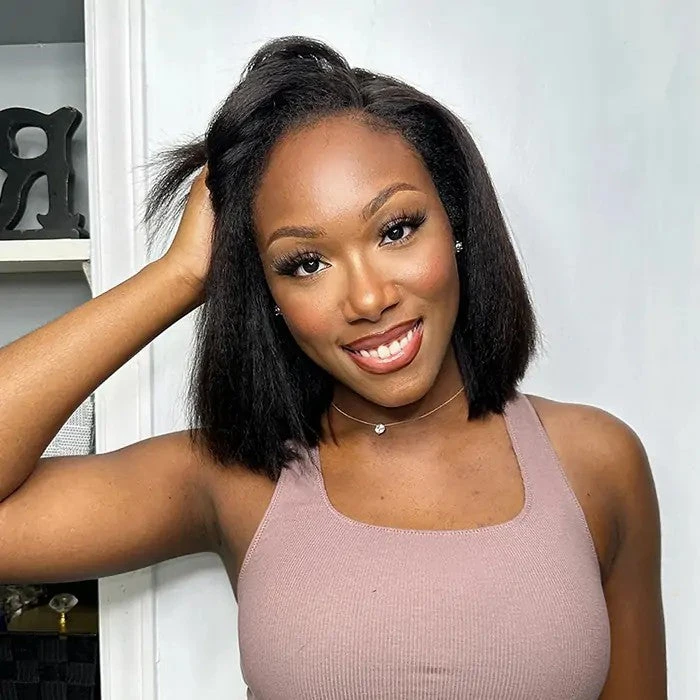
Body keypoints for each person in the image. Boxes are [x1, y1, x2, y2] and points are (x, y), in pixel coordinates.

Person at [0, 35, 666, 699]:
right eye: (305, 263)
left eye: (397, 229)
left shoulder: (597, 464)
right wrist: (179, 276)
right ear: (269, 292)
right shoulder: (236, 475)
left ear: (457, 221)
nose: (369, 299)